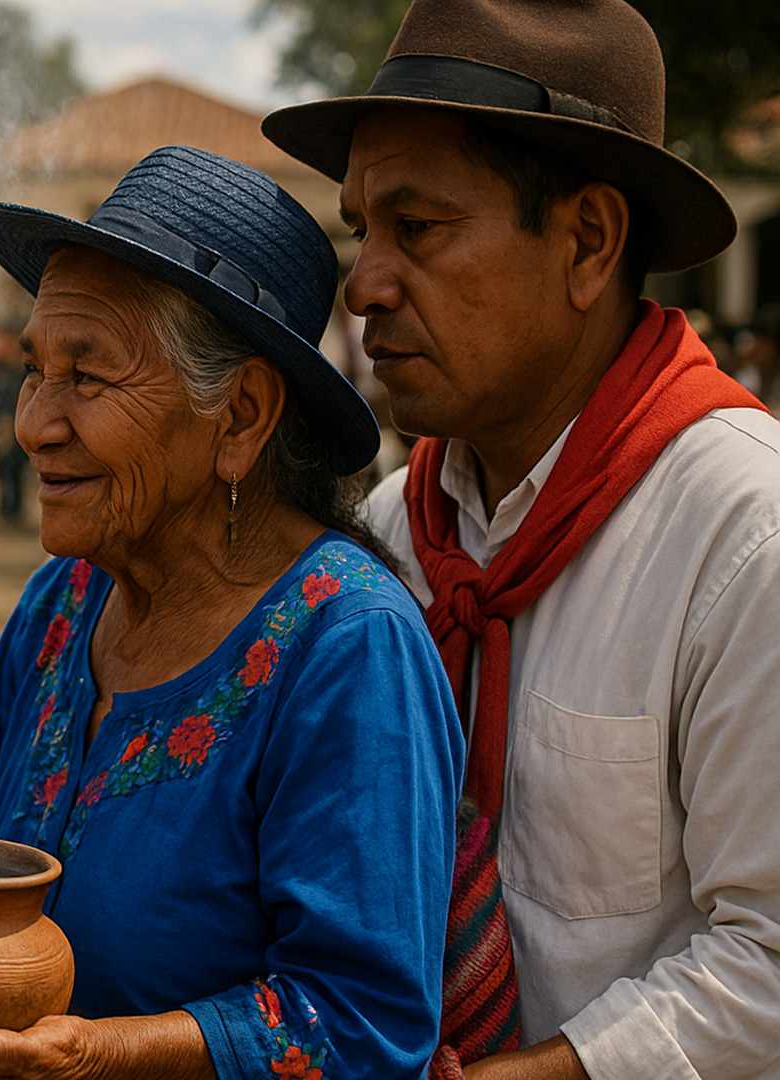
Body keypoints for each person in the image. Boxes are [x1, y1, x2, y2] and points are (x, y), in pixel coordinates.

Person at [0, 146, 464, 1079]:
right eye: (34, 370)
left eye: (88, 377)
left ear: (240, 417)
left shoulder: (349, 645)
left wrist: (106, 1058)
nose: (33, 422)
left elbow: (361, 1021)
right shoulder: (69, 601)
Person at [260, 1, 780, 1076]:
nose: (363, 285)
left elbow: (768, 967)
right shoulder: (394, 531)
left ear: (588, 242)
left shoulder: (742, 532)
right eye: (363, 229)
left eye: (422, 226)